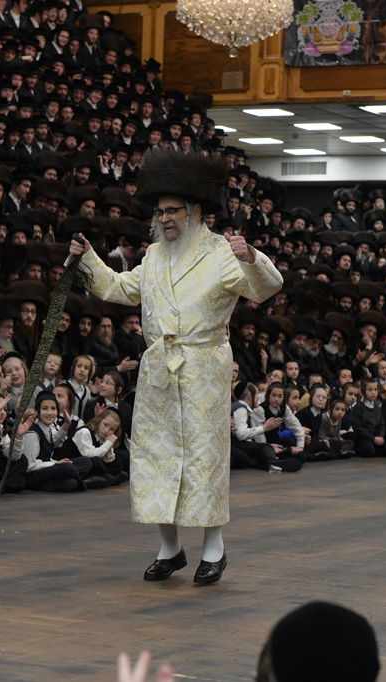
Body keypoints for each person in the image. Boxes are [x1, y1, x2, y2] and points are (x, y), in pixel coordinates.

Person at [69, 149, 283, 585]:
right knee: (156, 458)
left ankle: (213, 549)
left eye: (173, 211)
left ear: (197, 211)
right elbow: (117, 287)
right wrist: (88, 258)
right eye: (160, 211)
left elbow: (266, 288)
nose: (165, 218)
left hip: (204, 366)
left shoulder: (223, 252)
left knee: (204, 458)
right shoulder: (153, 255)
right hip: (158, 370)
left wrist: (251, 257)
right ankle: (169, 548)